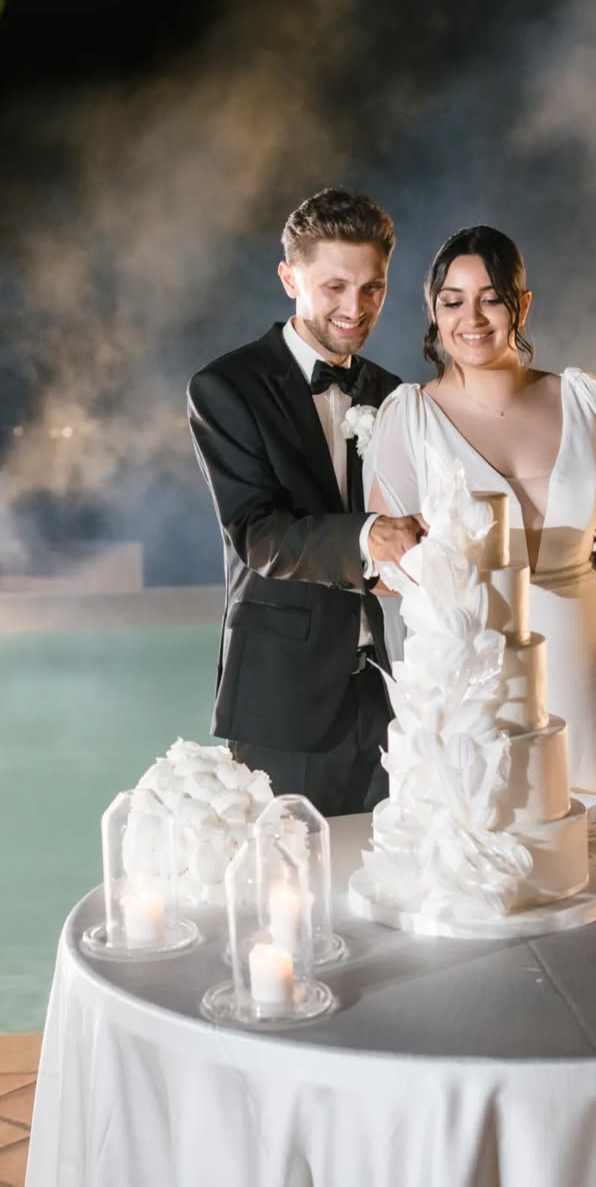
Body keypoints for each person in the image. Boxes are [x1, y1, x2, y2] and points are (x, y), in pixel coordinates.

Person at [362, 225, 596, 796]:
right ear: (434, 311)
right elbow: (386, 574)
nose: (471, 319)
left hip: (589, 676)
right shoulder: (410, 419)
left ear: (521, 305)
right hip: (479, 685)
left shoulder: (585, 403)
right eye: (453, 302)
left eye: (491, 299)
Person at [187, 187, 424, 814]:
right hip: (283, 698)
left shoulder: (393, 392)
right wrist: (369, 538)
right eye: (334, 287)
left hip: (394, 693)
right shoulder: (226, 387)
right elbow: (258, 533)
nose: (355, 308)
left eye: (372, 288)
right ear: (289, 278)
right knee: (289, 870)